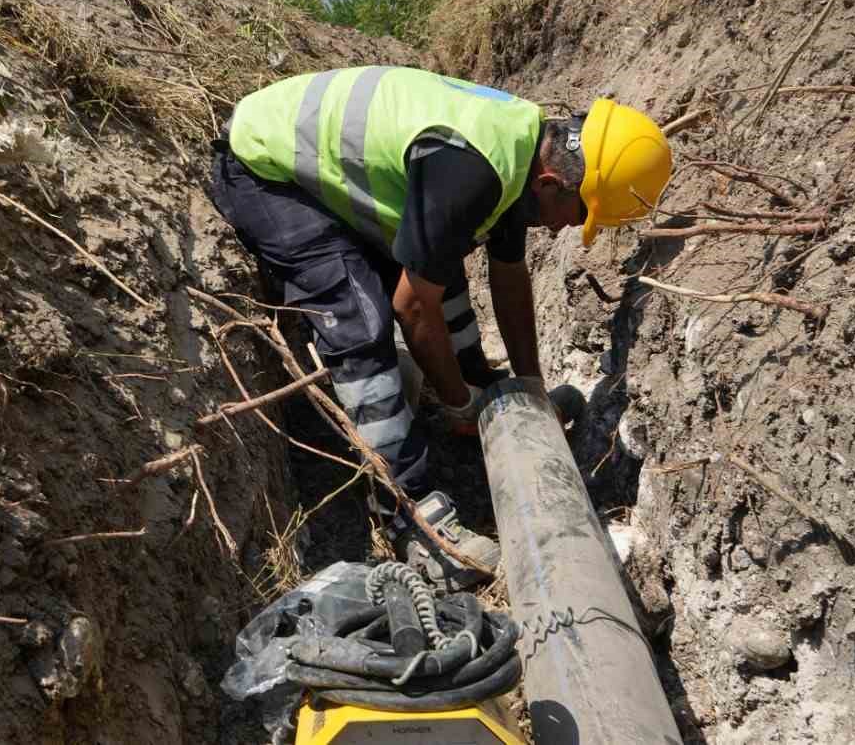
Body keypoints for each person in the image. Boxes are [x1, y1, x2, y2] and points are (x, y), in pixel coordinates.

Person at [208, 66, 671, 586]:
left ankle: (478, 388)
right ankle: (410, 513)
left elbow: (510, 274)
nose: (569, 228)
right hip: (265, 168)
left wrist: (529, 386)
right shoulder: (475, 169)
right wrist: (455, 406)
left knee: (441, 269)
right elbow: (412, 308)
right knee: (359, 319)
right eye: (578, 213)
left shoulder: (525, 147)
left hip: (320, 157)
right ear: (551, 183)